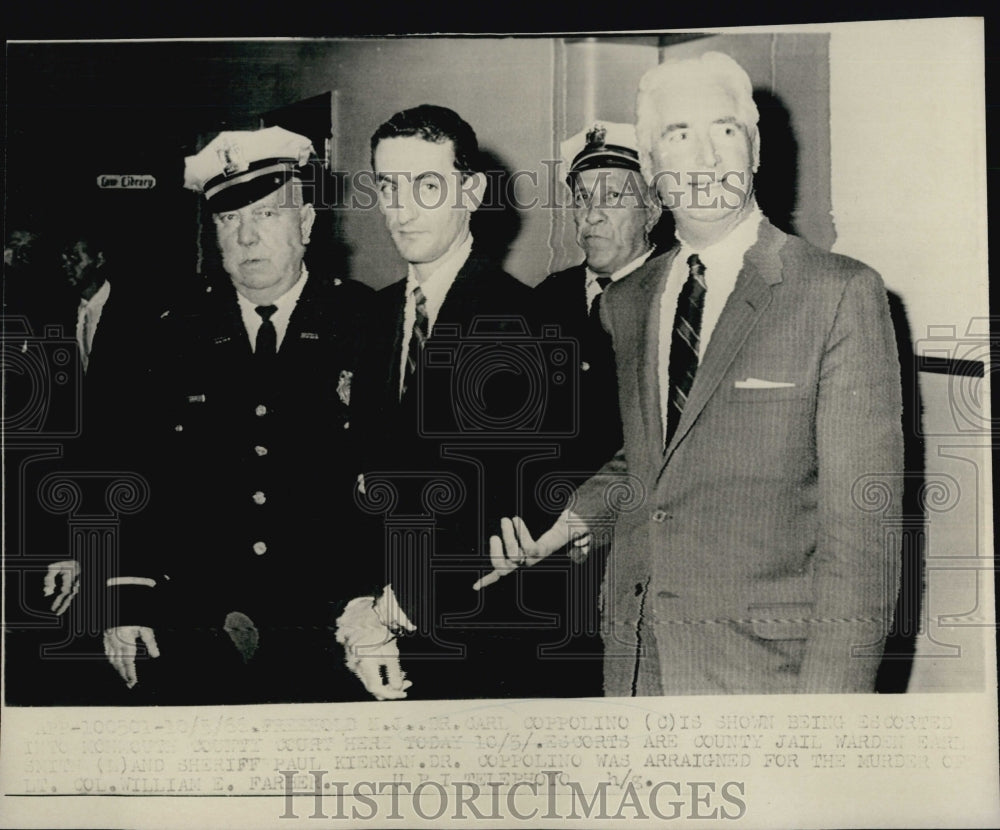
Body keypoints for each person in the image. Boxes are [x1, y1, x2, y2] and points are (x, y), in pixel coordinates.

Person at [481, 52, 904, 695]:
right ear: (652, 168)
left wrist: (829, 721)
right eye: (678, 134)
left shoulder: (837, 293)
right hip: (637, 661)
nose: (704, 155)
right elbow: (649, 461)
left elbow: (862, 540)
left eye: (725, 129)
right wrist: (564, 526)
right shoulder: (628, 302)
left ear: (755, 150)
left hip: (766, 677)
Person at [92, 126, 373, 703]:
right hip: (195, 615)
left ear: (307, 224)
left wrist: (380, 600)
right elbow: (130, 467)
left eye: (267, 214)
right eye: (227, 220)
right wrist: (125, 594)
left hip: (331, 620)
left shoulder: (368, 323)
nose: (246, 236)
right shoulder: (170, 333)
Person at [338, 104, 567, 700]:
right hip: (369, 637)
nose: (402, 208)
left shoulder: (528, 320)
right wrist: (360, 608)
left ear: (471, 190)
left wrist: (394, 612)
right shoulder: (370, 318)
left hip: (483, 643)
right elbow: (354, 477)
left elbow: (510, 499)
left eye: (426, 185)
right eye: (388, 186)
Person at [529, 121, 663, 694]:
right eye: (582, 198)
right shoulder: (544, 301)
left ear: (654, 206)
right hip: (539, 559)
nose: (591, 215)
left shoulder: (680, 299)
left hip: (632, 563)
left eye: (613, 196)